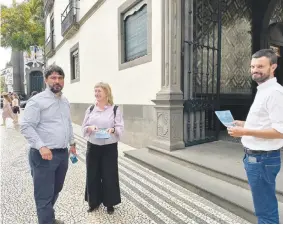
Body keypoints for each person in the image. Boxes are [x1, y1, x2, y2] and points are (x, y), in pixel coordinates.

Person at [228, 49, 282, 224]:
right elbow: (265, 121)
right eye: (252, 66)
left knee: (265, 210)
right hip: (257, 158)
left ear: (273, 66)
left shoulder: (274, 93)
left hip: (262, 160)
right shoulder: (264, 89)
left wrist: (245, 132)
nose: (254, 70)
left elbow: (280, 132)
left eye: (260, 66)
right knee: (264, 203)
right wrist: (244, 124)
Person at [20, 65, 77, 224]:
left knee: (56, 189)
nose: (56, 81)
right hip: (43, 155)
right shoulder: (36, 101)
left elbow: (68, 123)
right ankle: (46, 221)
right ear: (46, 80)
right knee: (44, 194)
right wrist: (41, 146)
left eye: (60, 78)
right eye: (53, 78)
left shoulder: (64, 101)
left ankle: (48, 218)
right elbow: (26, 126)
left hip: (62, 154)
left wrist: (72, 143)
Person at [82, 82, 124, 214]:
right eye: (95, 91)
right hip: (93, 146)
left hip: (109, 147)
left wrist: (113, 130)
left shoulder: (115, 109)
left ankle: (109, 203)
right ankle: (93, 202)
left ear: (107, 92)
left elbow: (120, 128)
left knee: (109, 174)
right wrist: (89, 128)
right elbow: (84, 127)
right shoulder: (90, 109)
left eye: (99, 91)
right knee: (92, 174)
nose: (96, 94)